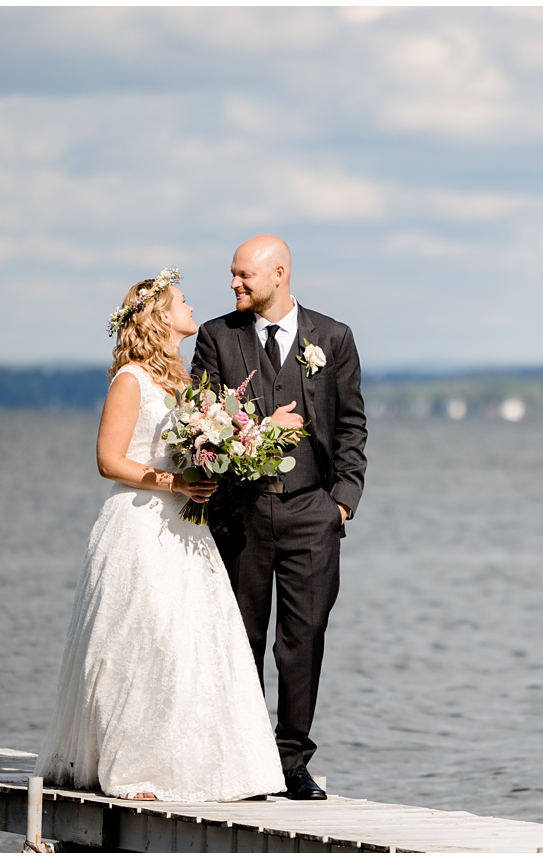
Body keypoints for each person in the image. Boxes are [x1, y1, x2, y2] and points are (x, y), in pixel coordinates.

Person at [37, 269, 287, 802]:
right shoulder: (130, 379)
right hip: (140, 524)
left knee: (192, 644)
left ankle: (204, 767)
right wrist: (176, 481)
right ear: (160, 316)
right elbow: (108, 460)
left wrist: (245, 446)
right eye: (183, 301)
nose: (192, 307)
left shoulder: (183, 382)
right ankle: (133, 769)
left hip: (184, 528)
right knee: (146, 641)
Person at [190, 235, 367, 801]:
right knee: (240, 637)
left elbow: (351, 425)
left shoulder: (334, 338)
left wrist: (342, 499)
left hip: (312, 511)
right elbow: (202, 423)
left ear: (279, 273)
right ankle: (239, 759)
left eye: (245, 275)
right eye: (233, 275)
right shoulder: (217, 337)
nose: (235, 284)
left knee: (303, 639)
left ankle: (292, 762)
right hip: (240, 512)